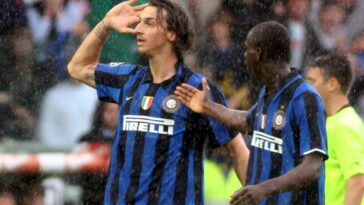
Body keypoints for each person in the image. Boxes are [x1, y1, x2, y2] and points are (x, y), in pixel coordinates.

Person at [67, 0, 249, 204]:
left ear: (171, 34)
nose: (138, 29)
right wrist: (106, 24)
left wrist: (259, 196)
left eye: (149, 23)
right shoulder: (127, 78)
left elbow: (238, 150)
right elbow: (77, 68)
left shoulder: (197, 88)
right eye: (140, 22)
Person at [175, 21, 328, 205]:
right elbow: (247, 121)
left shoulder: (305, 98)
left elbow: (312, 167)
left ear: (259, 53)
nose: (244, 55)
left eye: (246, 49)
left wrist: (263, 188)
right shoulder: (269, 91)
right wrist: (207, 106)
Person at [306, 53, 364, 205]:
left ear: (332, 84)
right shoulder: (334, 121)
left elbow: (358, 180)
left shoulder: (343, 125)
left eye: (312, 81)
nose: (306, 87)